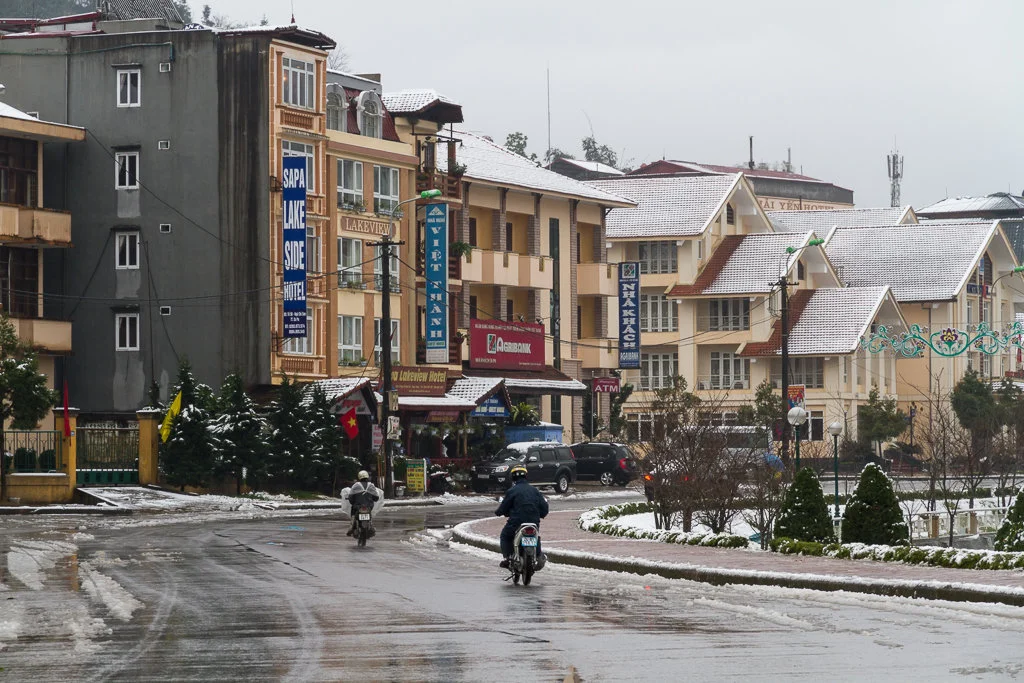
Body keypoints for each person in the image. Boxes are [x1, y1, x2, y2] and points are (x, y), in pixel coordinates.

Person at [494, 464, 549, 568]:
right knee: (536, 537)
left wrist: (498, 512)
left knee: (505, 536)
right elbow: (544, 508)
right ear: (526, 476)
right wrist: (541, 514)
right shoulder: (535, 490)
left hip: (516, 522)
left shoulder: (512, 491)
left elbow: (504, 507)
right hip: (533, 522)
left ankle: (507, 558)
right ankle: (538, 555)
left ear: (513, 477)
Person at [344, 470, 381, 537]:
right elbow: (376, 498)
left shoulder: (356, 485)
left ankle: (351, 526)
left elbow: (351, 497)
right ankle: (371, 525)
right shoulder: (371, 486)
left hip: (357, 507)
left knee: (353, 513)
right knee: (370, 515)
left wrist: (353, 502)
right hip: (369, 506)